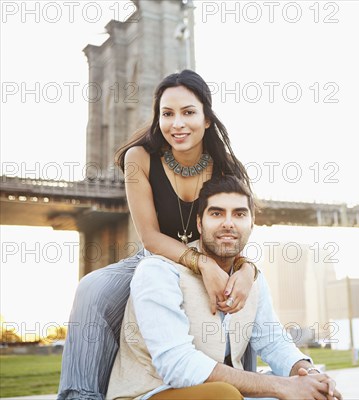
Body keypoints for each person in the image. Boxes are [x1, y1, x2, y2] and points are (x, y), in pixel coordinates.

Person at [58, 70, 258, 399]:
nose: (177, 123)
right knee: (92, 287)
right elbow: (149, 236)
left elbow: (236, 230)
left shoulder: (227, 167)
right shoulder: (139, 158)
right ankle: (81, 394)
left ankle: (242, 381)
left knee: (237, 295)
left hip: (213, 258)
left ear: (207, 118)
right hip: (154, 258)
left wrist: (248, 270)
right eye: (167, 114)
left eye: (188, 112)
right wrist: (202, 265)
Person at [107, 175, 343, 400]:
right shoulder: (159, 271)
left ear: (252, 223)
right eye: (217, 213)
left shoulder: (251, 278)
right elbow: (177, 366)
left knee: (314, 395)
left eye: (239, 214)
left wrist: (309, 376)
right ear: (200, 223)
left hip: (221, 393)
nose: (228, 223)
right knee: (225, 395)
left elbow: (274, 341)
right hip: (150, 392)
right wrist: (282, 386)